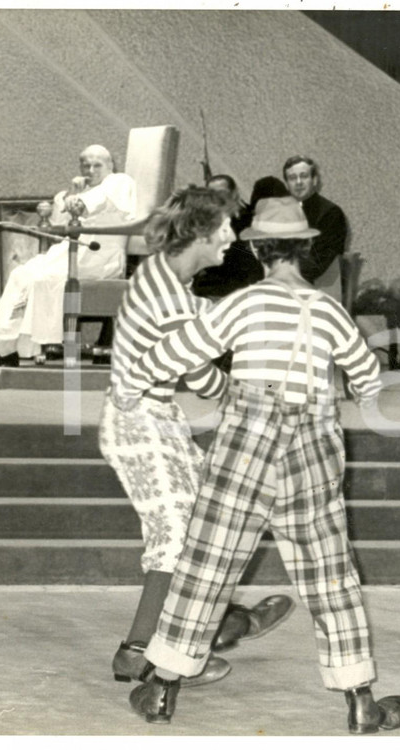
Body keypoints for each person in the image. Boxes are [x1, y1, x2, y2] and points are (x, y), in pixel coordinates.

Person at [111, 196, 400, 733]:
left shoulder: (244, 303)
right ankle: (359, 701)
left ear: (256, 249)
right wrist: (333, 387)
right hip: (314, 443)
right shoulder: (329, 311)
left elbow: (174, 354)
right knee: (330, 571)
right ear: (306, 250)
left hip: (246, 439)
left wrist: (132, 385)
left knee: (208, 561)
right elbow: (370, 379)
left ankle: (162, 689)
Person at [99, 186, 295, 690]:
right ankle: (140, 654)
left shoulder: (164, 277)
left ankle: (222, 623)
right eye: (225, 229)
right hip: (138, 424)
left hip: (155, 418)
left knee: (203, 526)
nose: (231, 238)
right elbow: (202, 376)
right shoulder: (169, 297)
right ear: (202, 234)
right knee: (179, 538)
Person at [0, 145, 137, 367]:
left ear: (110, 166)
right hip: (70, 254)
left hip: (100, 258)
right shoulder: (80, 191)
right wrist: (73, 194)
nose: (91, 170)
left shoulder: (119, 182)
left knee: (42, 280)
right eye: (86, 165)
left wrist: (79, 200)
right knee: (20, 274)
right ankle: (0, 345)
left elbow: (93, 203)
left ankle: (19, 348)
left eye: (97, 165)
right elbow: (58, 224)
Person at [192, 174, 288, 299]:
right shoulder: (206, 226)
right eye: (211, 194)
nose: (217, 199)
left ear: (234, 194)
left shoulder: (251, 222)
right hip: (211, 293)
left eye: (222, 193)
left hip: (243, 294)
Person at [282, 155, 348, 285]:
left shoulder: (331, 213)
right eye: (292, 178)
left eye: (304, 176)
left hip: (316, 289)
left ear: (315, 180)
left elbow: (317, 264)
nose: (298, 182)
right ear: (286, 184)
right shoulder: (277, 212)